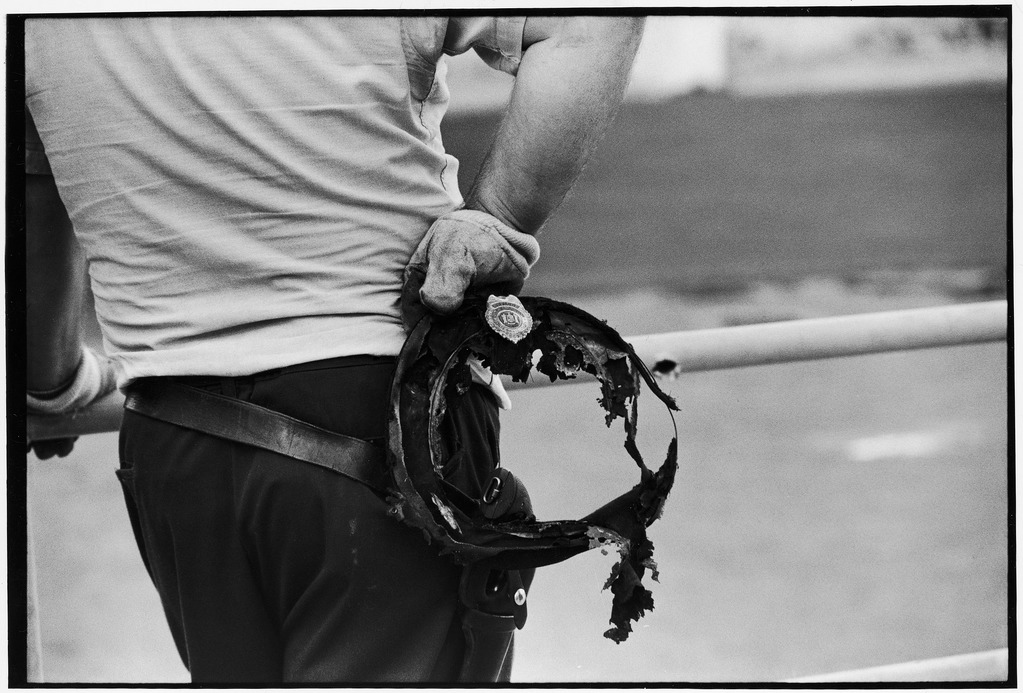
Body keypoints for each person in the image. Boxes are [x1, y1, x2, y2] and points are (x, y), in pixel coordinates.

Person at [24, 15, 645, 683]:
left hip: (173, 446)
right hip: (378, 418)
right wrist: (498, 217)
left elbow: (32, 189)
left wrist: (50, 383)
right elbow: (593, 21)